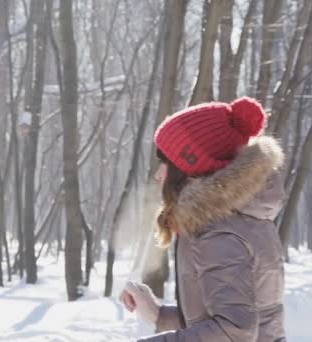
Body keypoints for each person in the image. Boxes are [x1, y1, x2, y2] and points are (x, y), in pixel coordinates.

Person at [120, 97, 287, 341]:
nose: (159, 174)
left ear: (192, 169)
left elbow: (234, 331)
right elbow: (233, 315)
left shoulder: (218, 233)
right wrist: (158, 315)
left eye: (167, 163)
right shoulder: (240, 217)